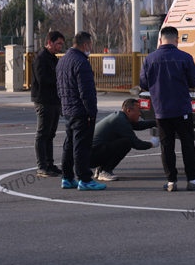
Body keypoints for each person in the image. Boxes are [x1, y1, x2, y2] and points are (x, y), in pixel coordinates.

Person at [139, 26, 195, 192]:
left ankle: (171, 182)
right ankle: (192, 180)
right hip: (182, 110)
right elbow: (193, 81)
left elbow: (143, 84)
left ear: (160, 40)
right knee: (187, 144)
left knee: (166, 147)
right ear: (177, 39)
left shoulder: (149, 59)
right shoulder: (185, 57)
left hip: (161, 111)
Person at [55, 31, 105, 191]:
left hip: (68, 109)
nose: (91, 47)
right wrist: (92, 112)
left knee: (69, 145)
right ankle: (84, 178)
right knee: (82, 146)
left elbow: (60, 88)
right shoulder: (81, 62)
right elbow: (87, 92)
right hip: (81, 111)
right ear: (85, 45)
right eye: (90, 45)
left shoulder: (62, 61)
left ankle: (67, 177)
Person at [90, 99, 160, 181]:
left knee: (120, 140)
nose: (140, 114)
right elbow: (136, 144)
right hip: (91, 157)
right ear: (129, 111)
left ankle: (101, 169)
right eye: (138, 111)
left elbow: (138, 125)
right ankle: (105, 171)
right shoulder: (121, 121)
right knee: (126, 143)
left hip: (90, 155)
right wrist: (151, 144)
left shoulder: (120, 116)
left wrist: (156, 123)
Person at [31, 30, 65, 177]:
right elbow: (42, 79)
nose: (60, 47)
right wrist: (60, 81)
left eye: (62, 44)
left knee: (51, 134)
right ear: (49, 42)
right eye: (58, 44)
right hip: (44, 101)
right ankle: (42, 166)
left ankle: (50, 164)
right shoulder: (41, 58)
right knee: (42, 134)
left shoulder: (53, 58)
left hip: (54, 101)